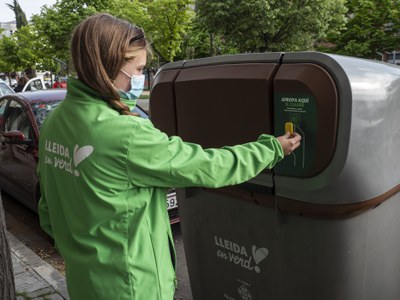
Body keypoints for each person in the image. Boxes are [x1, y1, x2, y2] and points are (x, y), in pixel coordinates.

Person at [37, 13, 301, 300]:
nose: (139, 78)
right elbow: (210, 167)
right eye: (137, 69)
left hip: (85, 282)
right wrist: (273, 148)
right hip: (132, 286)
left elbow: (48, 209)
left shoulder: (55, 121)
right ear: (109, 65)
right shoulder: (124, 134)